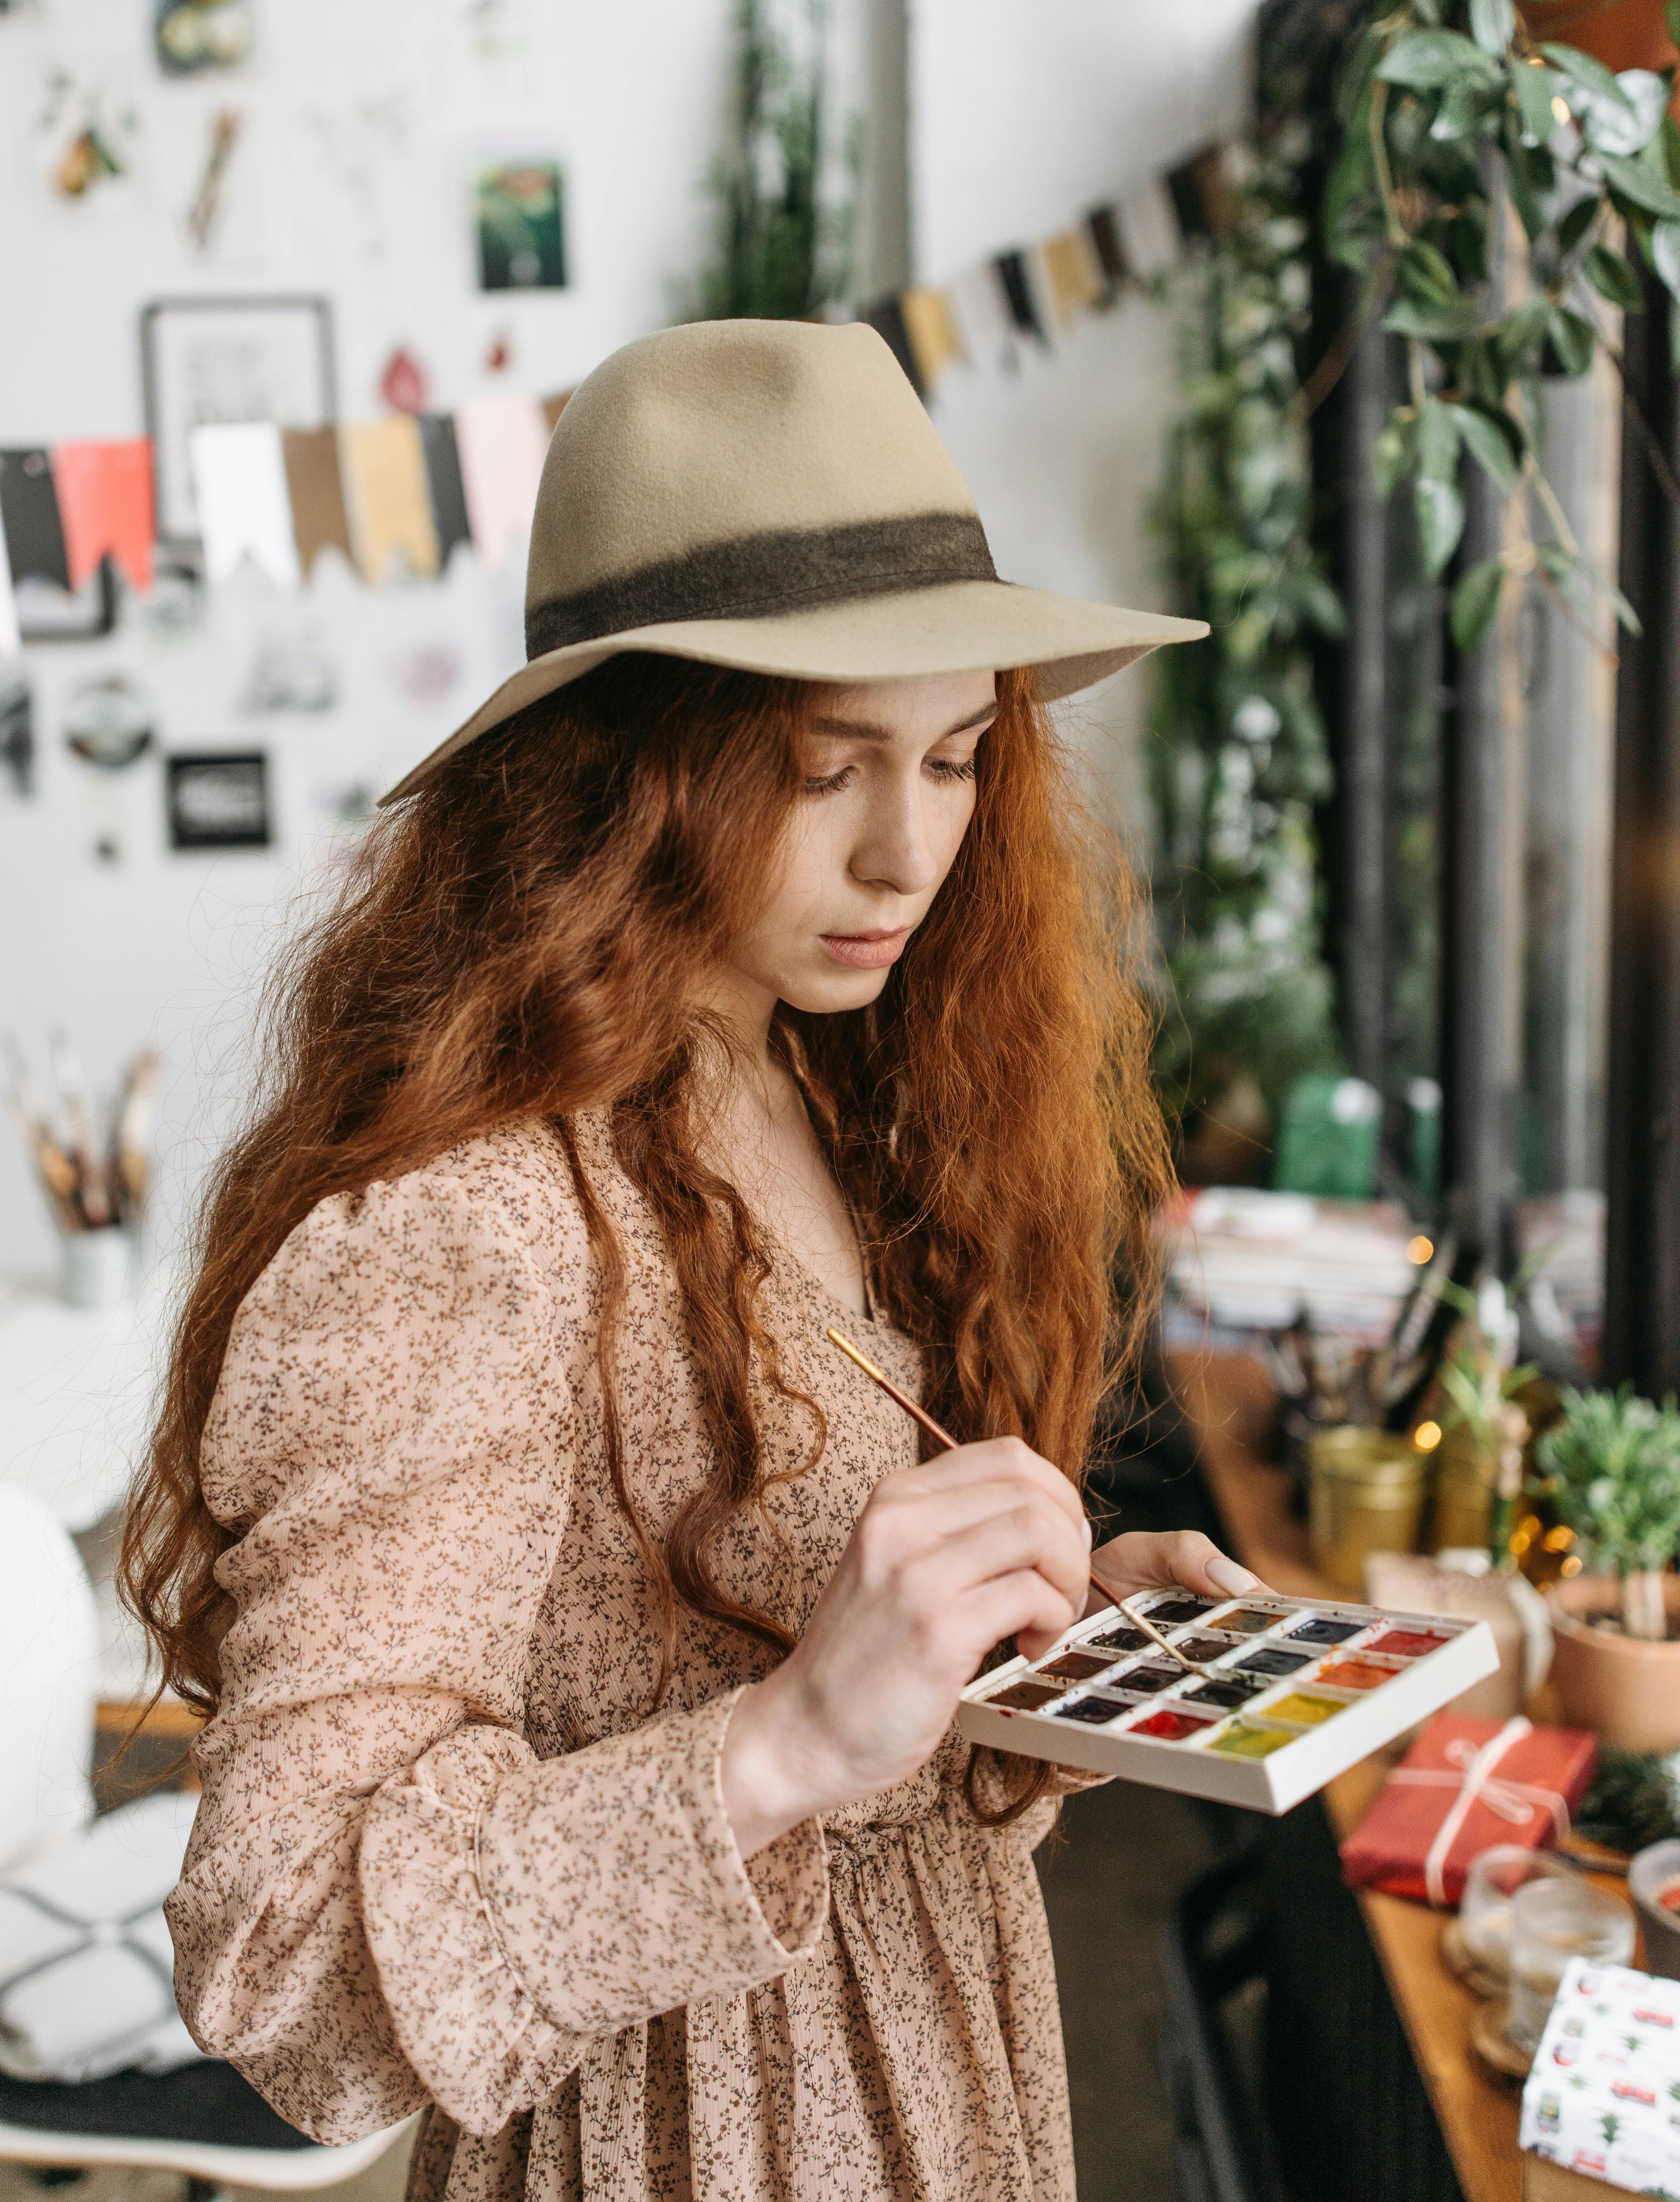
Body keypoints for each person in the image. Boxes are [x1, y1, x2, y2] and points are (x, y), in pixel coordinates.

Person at [123, 319, 1258, 2202]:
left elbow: (840, 1772)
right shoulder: (465, 1222)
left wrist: (1021, 1670)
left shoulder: (826, 1094)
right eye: (826, 770)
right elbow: (285, 1967)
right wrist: (792, 1731)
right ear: (625, 773)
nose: (912, 852)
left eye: (961, 757)